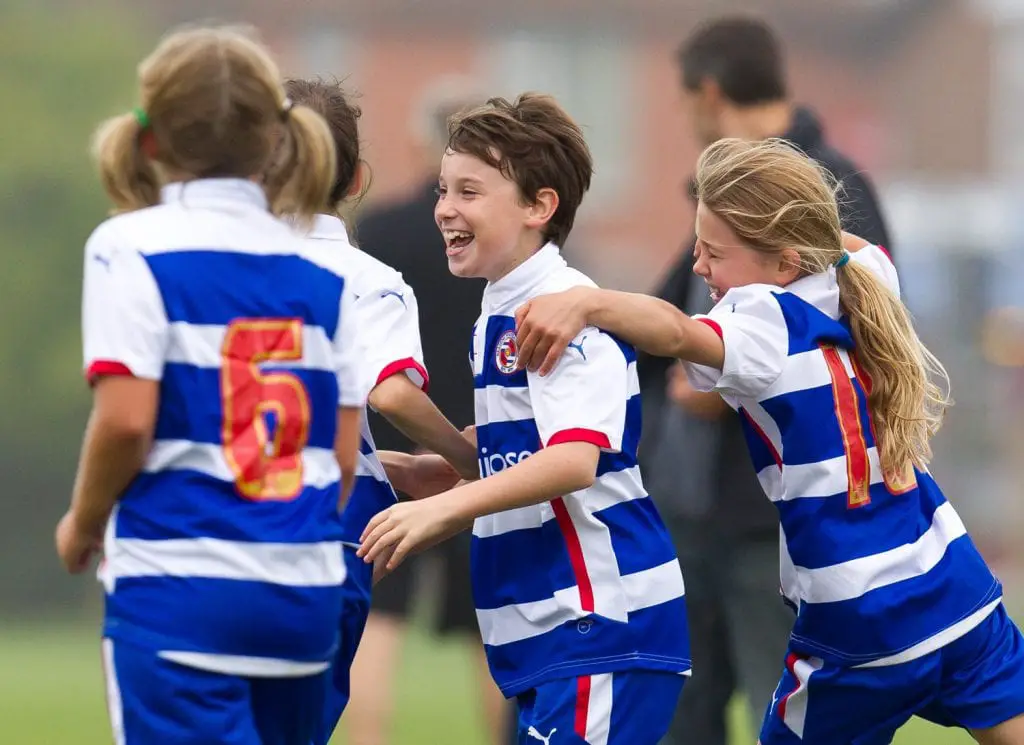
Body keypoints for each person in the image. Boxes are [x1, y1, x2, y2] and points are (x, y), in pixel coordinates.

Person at [513, 137, 1024, 745]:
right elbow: (841, 244)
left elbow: (675, 330)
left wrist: (588, 302)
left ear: (784, 264)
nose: (699, 267)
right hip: (952, 582)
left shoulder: (762, 318)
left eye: (714, 253)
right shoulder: (860, 274)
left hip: (859, 614)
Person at [54, 26, 367, 745]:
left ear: (152, 139)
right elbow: (341, 459)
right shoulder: (325, 277)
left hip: (180, 590)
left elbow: (128, 421)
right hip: (304, 596)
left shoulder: (129, 247)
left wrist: (83, 522)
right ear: (272, 142)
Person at [357, 93, 691, 745]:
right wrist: (450, 462)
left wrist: (448, 511)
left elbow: (573, 460)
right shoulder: (501, 309)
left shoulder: (563, 311)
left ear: (539, 207)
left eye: (470, 191)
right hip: (551, 629)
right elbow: (529, 442)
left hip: (600, 622)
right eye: (444, 189)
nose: (444, 207)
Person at [638, 15, 893, 744]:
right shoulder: (722, 191)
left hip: (774, 523)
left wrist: (728, 383)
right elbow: (661, 322)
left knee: (780, 710)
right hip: (688, 510)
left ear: (708, 93)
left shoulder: (834, 191)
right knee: (681, 715)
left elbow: (870, 337)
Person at [279, 76, 479, 745]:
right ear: (356, 174)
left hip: (242, 513)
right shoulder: (372, 274)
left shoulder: (228, 275)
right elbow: (389, 389)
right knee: (483, 627)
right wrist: (465, 455)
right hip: (348, 509)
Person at [346, 77, 510, 745]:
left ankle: (367, 740)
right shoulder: (501, 234)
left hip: (394, 435)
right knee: (492, 619)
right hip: (484, 442)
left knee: (378, 616)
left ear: (423, 143)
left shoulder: (380, 229)